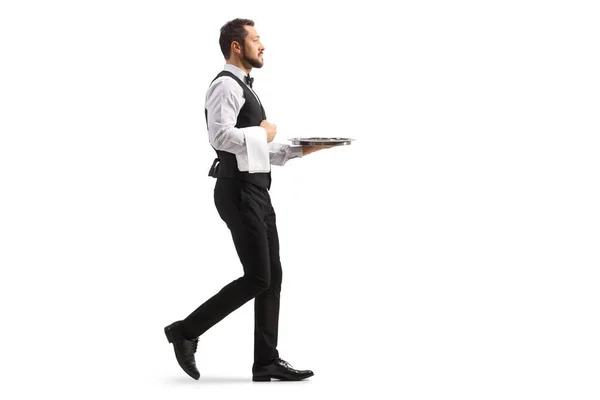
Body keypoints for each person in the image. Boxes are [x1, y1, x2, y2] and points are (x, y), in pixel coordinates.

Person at [164, 18, 332, 382]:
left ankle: (266, 361)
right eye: (256, 39)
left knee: (272, 277)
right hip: (238, 192)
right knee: (258, 277)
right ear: (236, 46)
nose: (263, 45)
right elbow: (221, 137)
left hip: (255, 190)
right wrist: (260, 131)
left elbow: (257, 151)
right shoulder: (226, 85)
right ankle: (185, 331)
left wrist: (307, 147)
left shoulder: (245, 87)